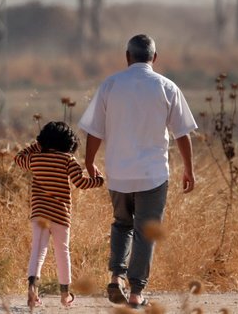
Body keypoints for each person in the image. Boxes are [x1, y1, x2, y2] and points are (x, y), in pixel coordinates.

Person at [78, 34, 197, 308]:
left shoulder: (110, 85)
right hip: (153, 176)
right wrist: (188, 170)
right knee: (145, 231)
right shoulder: (167, 87)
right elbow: (182, 133)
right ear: (154, 58)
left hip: (118, 174)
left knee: (122, 225)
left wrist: (89, 163)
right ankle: (136, 293)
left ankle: (117, 276)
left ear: (127, 56)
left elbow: (94, 130)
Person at [15, 120, 105, 308]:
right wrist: (97, 180)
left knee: (38, 251)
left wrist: (38, 145)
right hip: (61, 215)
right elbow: (80, 183)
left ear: (44, 141)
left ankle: (33, 291)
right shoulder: (68, 160)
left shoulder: (35, 159)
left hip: (39, 214)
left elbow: (18, 158)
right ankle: (65, 296)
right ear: (67, 142)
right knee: (62, 252)